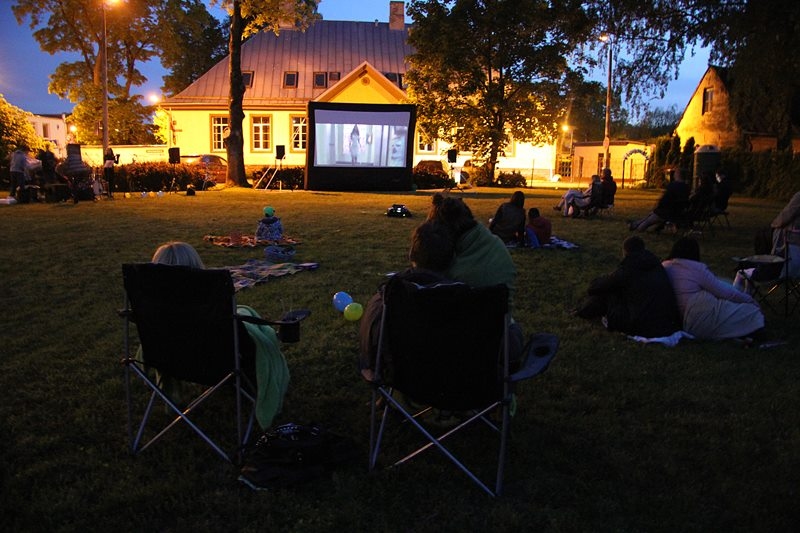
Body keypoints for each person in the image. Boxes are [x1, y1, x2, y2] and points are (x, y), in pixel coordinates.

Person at [150, 241, 290, 430]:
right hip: (220, 363)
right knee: (252, 324)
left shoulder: (153, 310)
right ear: (196, 266)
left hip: (169, 358)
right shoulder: (210, 301)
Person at [359, 220, 455, 380]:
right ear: (452, 259)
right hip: (456, 381)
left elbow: (369, 354)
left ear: (411, 254)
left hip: (402, 380)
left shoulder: (386, 300)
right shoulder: (469, 299)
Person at [574, 236, 682, 338]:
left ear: (625, 252)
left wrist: (600, 281)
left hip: (641, 326)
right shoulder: (656, 265)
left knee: (609, 293)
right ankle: (584, 311)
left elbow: (597, 287)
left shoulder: (629, 268)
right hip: (667, 323)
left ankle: (584, 312)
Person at [662, 237, 766, 342]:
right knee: (751, 312)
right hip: (697, 318)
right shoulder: (695, 268)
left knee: (725, 288)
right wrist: (750, 301)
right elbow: (725, 293)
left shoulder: (665, 266)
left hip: (676, 319)